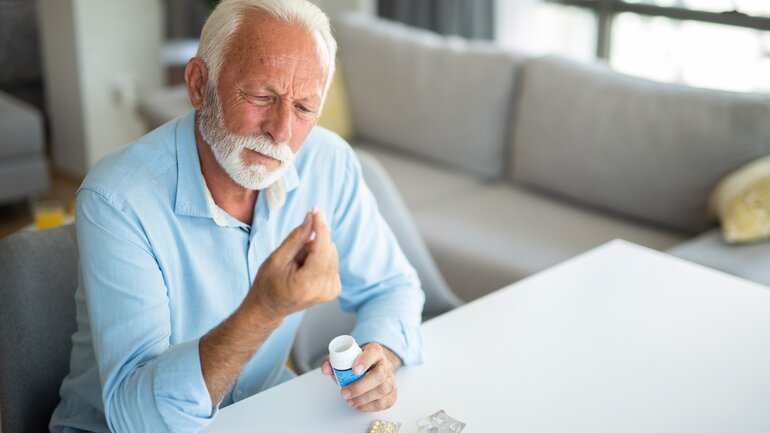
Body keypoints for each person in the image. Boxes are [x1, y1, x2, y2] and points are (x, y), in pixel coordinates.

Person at [49, 1, 425, 432]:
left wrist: (382, 354)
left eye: (304, 108)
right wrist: (264, 309)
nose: (281, 131)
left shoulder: (328, 161)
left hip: (260, 412)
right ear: (199, 85)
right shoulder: (117, 198)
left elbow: (393, 287)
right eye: (262, 97)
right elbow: (137, 419)